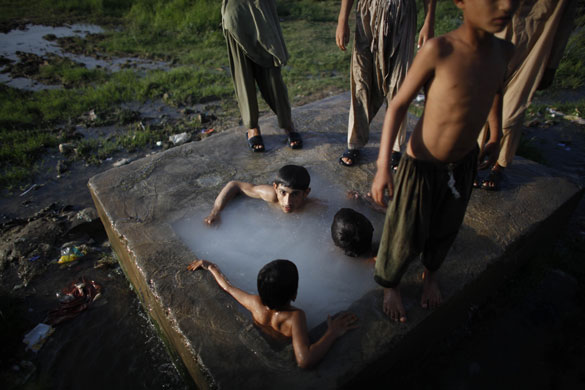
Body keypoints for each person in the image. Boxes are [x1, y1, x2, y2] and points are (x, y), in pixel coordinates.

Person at [370, 0, 519, 322]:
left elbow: (496, 92)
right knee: (405, 231)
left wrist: (495, 135)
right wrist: (383, 166)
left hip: (463, 163)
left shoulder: (504, 51)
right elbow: (398, 105)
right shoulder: (440, 50)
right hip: (420, 163)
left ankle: (431, 274)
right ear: (461, 2)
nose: (506, 4)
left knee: (446, 225)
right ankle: (390, 283)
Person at [477, 0, 577, 190]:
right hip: (498, 31)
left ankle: (499, 165)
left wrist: (552, 65)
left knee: (511, 113)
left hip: (536, 45)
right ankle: (473, 160)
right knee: (483, 97)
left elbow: (565, 21)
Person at [187, 259, 358, 368]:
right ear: (294, 294)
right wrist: (332, 332)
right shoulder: (295, 317)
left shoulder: (255, 303)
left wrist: (209, 266)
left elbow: (227, 287)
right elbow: (304, 360)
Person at [336, 0, 437, 167]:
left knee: (399, 81)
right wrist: (342, 19)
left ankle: (395, 147)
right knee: (361, 77)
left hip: (402, 12)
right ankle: (354, 142)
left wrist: (429, 22)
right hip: (367, 12)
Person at [222, 0, 302, 152]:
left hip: (261, 8)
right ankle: (252, 127)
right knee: (243, 75)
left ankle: (287, 123)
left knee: (273, 74)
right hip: (236, 11)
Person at [204, 165, 310, 224]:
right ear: (275, 187)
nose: (287, 201)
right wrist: (215, 212)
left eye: (295, 194)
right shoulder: (272, 196)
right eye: (283, 193)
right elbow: (234, 185)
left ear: (306, 193)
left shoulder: (312, 208)